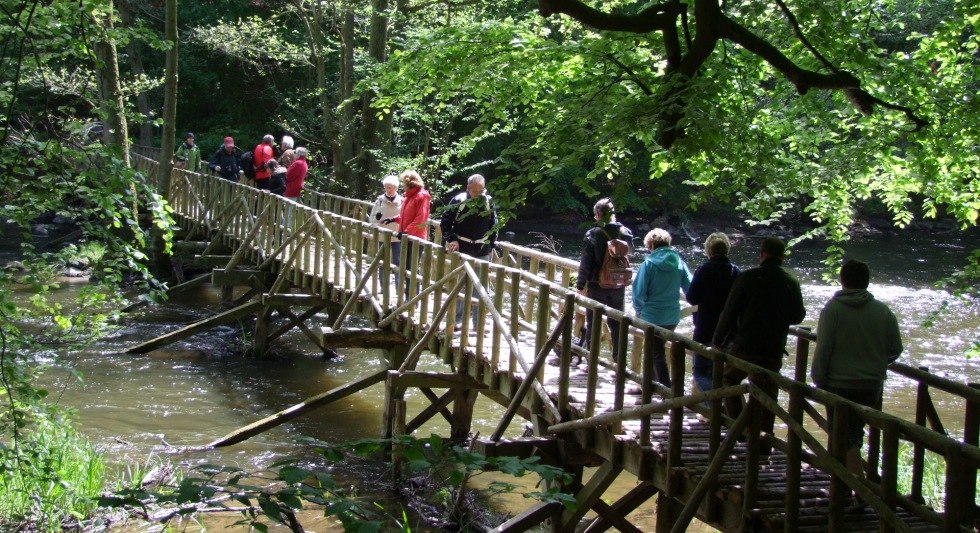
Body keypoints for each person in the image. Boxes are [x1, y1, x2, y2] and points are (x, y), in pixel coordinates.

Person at [811, 259, 902, 491]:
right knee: (849, 434)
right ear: (867, 281)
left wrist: (819, 379)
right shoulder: (882, 310)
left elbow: (824, 350)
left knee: (845, 437)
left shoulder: (833, 310)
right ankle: (838, 485)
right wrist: (876, 364)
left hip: (839, 384)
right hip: (872, 385)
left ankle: (861, 492)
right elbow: (895, 348)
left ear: (842, 280)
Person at [713, 236, 805, 449]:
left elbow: (729, 311)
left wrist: (717, 339)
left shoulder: (748, 277)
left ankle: (740, 429)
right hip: (773, 347)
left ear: (762, 253)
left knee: (729, 380)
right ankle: (765, 439)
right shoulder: (790, 281)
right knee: (768, 393)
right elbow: (798, 316)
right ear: (782, 256)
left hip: (745, 345)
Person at [631, 228, 692, 387]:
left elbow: (638, 291)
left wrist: (638, 310)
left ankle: (666, 389)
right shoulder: (679, 262)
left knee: (655, 352)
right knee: (656, 351)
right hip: (672, 316)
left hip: (651, 315)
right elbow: (690, 288)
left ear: (650, 244)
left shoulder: (648, 264)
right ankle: (649, 386)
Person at [576, 198, 634, 361]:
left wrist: (580, 285)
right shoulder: (626, 232)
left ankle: (591, 360)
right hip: (619, 284)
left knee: (593, 323)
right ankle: (619, 362)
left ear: (597, 215)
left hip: (597, 284)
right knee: (617, 324)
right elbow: (629, 256)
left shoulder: (593, 234)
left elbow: (585, 262)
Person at [440, 174, 498, 330]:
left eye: (481, 191)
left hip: (482, 250)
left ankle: (478, 324)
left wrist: (491, 245)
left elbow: (494, 225)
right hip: (462, 249)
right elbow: (445, 222)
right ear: (468, 188)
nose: (477, 194)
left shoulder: (488, 202)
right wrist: (452, 239)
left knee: (481, 288)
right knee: (461, 285)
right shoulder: (459, 201)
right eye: (475, 191)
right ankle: (457, 321)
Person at [686, 232, 740, 394]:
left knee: (700, 372)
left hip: (705, 327)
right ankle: (717, 408)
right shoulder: (735, 272)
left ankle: (712, 407)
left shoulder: (704, 269)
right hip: (727, 331)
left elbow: (691, 297)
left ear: (708, 250)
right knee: (721, 373)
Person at [381, 170, 431, 293]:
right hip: (407, 235)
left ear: (410, 183)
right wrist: (394, 219)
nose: (403, 185)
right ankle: (409, 294)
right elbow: (406, 215)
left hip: (416, 237)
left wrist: (406, 231)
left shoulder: (421, 196)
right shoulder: (409, 196)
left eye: (404, 182)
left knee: (412, 266)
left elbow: (421, 218)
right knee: (406, 266)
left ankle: (413, 297)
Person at [370, 175, 403, 277]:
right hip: (383, 235)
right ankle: (382, 287)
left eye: (390, 187)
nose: (388, 189)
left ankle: (398, 288)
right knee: (382, 260)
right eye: (386, 187)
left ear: (396, 188)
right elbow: (372, 219)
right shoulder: (379, 201)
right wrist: (377, 218)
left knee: (398, 261)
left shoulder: (402, 201)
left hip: (397, 235)